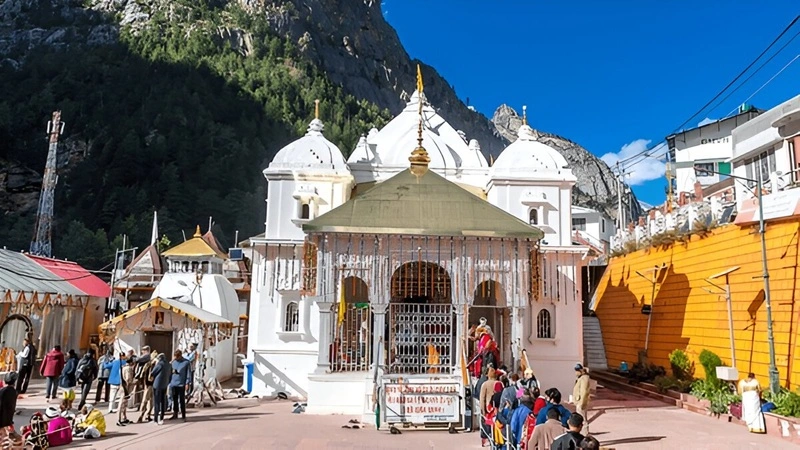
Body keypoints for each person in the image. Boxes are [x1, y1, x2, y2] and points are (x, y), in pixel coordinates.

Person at [169, 350, 191, 421]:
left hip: (181, 384)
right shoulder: (173, 362)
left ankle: (183, 414)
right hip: (173, 383)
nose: (176, 358)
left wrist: (187, 383)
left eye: (177, 357)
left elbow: (188, 373)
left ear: (180, 356)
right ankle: (175, 413)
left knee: (182, 400)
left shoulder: (186, 362)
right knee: (174, 399)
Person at [136, 351, 157, 423]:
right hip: (148, 385)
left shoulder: (152, 365)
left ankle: (148, 415)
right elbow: (143, 375)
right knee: (145, 401)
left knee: (150, 401)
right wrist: (143, 384)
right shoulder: (148, 365)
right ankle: (141, 415)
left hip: (151, 385)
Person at [478, 367, 497, 447]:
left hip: (488, 408)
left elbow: (482, 398)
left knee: (486, 424)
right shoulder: (498, 383)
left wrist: (482, 410)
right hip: (496, 407)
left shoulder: (485, 384)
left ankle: (486, 439)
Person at [151, 352, 170, 425]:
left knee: (156, 402)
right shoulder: (168, 364)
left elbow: (153, 373)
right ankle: (162, 417)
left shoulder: (159, 364)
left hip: (157, 385)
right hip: (165, 385)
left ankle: (156, 419)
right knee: (163, 402)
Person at [572, 364, 591, 433]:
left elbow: (584, 391)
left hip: (581, 402)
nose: (576, 372)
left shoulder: (584, 378)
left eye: (577, 371)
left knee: (583, 419)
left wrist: (582, 403)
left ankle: (585, 434)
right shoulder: (581, 378)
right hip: (579, 401)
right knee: (581, 418)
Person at [131, 346, 151, 410]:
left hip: (143, 376)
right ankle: (139, 405)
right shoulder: (145, 356)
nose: (142, 351)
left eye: (143, 350)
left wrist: (132, 357)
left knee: (141, 391)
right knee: (139, 390)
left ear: (146, 350)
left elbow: (137, 359)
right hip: (140, 376)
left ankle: (142, 406)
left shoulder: (147, 356)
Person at [118, 355, 135, 426]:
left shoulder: (123, 367)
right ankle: (119, 419)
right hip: (125, 388)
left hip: (123, 387)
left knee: (124, 404)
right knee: (122, 404)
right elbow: (128, 379)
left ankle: (124, 417)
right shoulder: (128, 368)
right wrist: (133, 382)